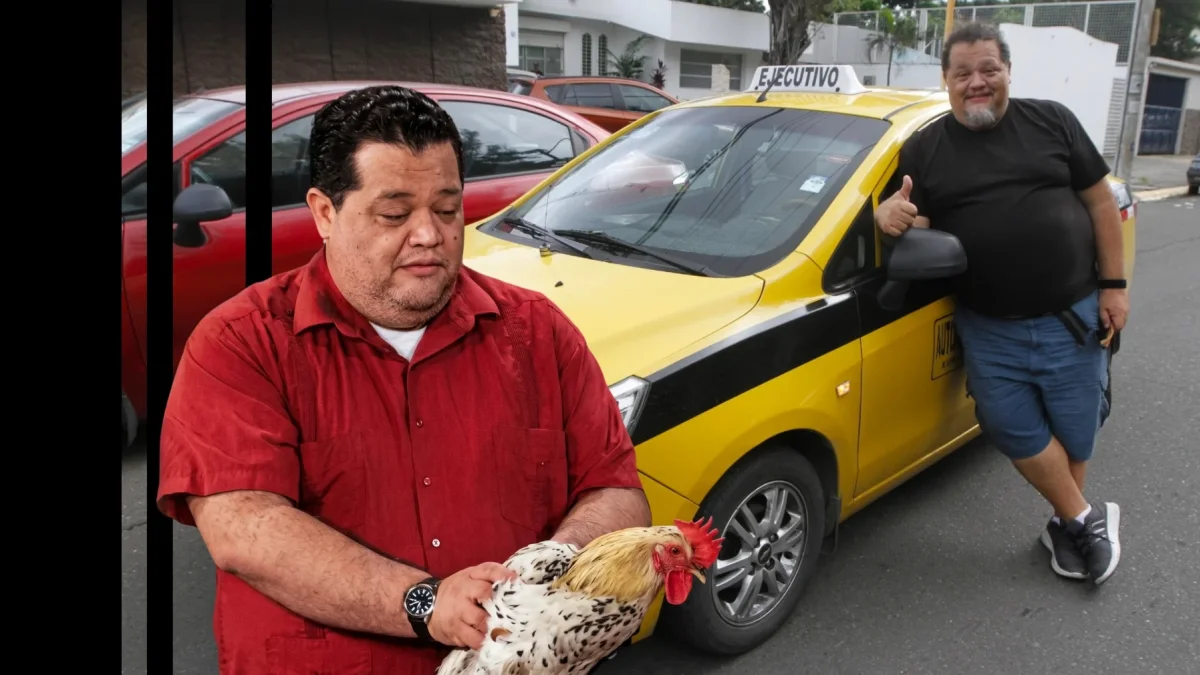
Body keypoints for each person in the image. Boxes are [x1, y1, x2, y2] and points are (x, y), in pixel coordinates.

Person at [157, 85, 651, 674]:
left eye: (447, 209)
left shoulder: (538, 333)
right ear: (324, 212)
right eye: (394, 213)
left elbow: (616, 490)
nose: (429, 234)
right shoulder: (242, 341)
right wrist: (425, 602)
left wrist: (549, 570)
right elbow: (244, 528)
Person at [874, 22, 1128, 586]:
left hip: (1071, 316)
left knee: (1077, 431)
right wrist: (885, 218)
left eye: (989, 69)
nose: (977, 83)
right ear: (946, 80)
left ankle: (1069, 525)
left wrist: (1114, 285)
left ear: (1008, 71)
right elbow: (915, 220)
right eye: (962, 73)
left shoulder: (1052, 122)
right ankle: (1084, 519)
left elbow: (1101, 206)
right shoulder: (925, 148)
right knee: (1013, 429)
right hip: (990, 328)